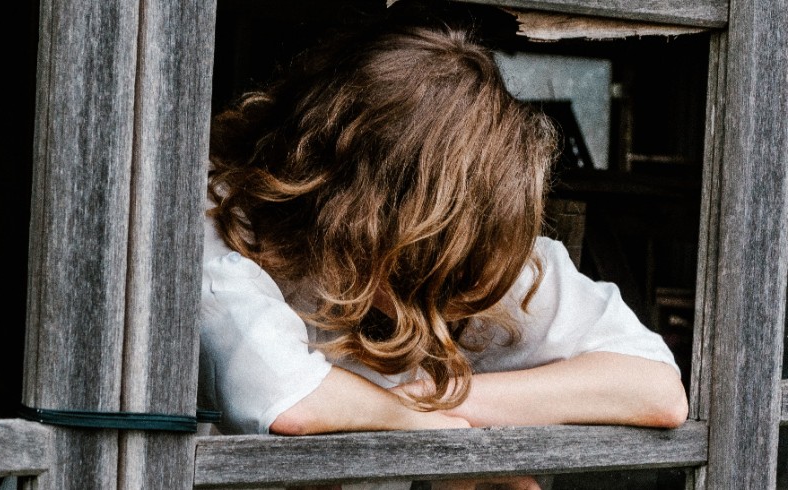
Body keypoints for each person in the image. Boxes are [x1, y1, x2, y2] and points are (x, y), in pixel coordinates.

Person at [198, 9, 689, 490]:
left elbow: (656, 388)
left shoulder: (477, 245)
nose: (451, 297)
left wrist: (444, 398)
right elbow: (288, 402)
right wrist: (452, 437)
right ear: (364, 215)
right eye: (423, 263)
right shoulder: (215, 221)